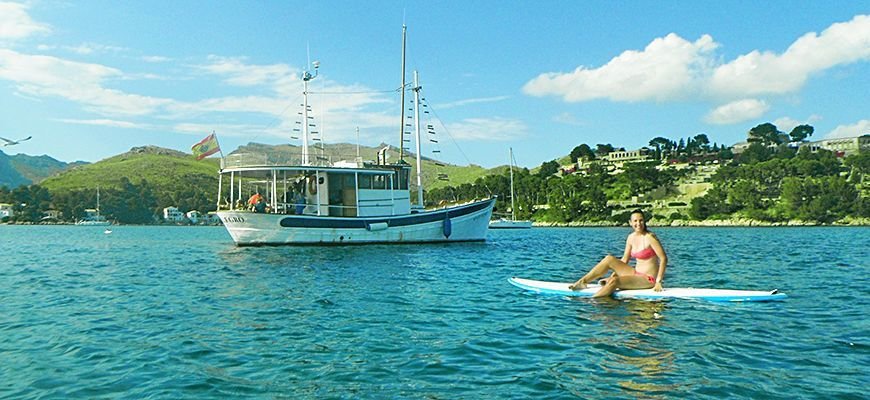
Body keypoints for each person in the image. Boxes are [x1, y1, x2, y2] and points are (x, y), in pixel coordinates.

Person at [568, 209, 667, 298]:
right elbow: (624, 260)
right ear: (630, 223)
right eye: (635, 221)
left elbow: (663, 259)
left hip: (648, 279)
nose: (638, 223)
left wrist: (658, 282)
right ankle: (582, 282)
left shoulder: (650, 237)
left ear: (644, 221)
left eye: (641, 220)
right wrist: (614, 274)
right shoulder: (631, 237)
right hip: (635, 273)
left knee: (614, 282)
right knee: (609, 259)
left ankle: (592, 301)